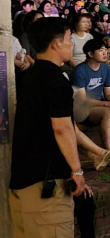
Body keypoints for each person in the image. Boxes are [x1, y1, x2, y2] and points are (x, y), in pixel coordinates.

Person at [10, 17, 89, 238]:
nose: (71, 44)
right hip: (46, 187)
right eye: (68, 39)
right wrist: (77, 171)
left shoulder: (30, 75)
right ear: (56, 44)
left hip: (22, 182)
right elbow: (63, 128)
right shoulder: (56, 80)